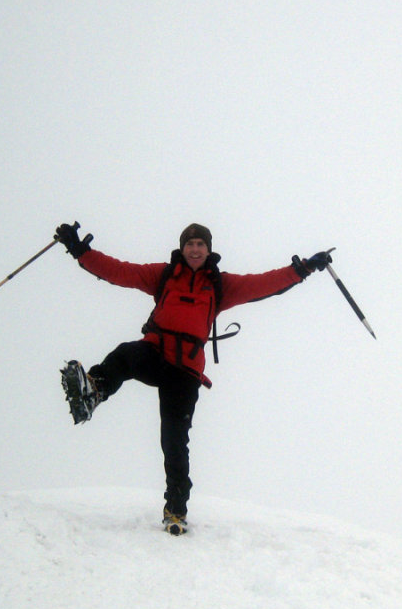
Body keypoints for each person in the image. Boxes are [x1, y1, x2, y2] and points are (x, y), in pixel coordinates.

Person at [55, 222, 331, 535]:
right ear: (182, 248)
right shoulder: (163, 275)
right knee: (126, 355)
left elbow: (263, 284)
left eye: (201, 244)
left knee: (174, 442)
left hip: (185, 372)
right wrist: (81, 251)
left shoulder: (219, 285)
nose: (195, 249)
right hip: (156, 355)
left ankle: (176, 510)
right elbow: (120, 271)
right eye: (190, 244)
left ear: (209, 249)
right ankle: (93, 391)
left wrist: (305, 268)